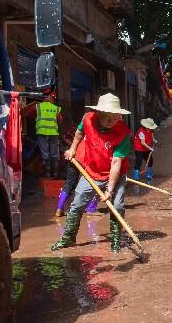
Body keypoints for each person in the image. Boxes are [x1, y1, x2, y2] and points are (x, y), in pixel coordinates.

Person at [51, 93, 132, 253]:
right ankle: (68, 238)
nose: (110, 122)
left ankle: (115, 241)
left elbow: (116, 163)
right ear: (98, 113)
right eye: (106, 117)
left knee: (117, 205)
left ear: (119, 115)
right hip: (91, 172)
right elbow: (79, 133)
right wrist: (73, 149)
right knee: (77, 204)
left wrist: (109, 189)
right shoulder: (88, 119)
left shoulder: (123, 132)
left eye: (114, 118)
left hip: (114, 174)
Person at [55, 123, 97, 217]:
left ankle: (59, 208)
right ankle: (91, 209)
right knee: (92, 182)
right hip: (86, 160)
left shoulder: (81, 134)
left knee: (69, 183)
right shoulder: (96, 135)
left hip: (75, 158)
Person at [26, 93, 63, 178]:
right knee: (54, 154)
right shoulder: (55, 108)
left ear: (43, 99)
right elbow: (60, 120)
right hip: (53, 133)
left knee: (45, 153)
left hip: (42, 132)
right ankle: (55, 173)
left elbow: (28, 114)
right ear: (52, 100)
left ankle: (47, 174)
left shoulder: (38, 107)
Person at [133, 118, 158, 182]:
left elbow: (151, 135)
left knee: (150, 160)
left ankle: (148, 174)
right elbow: (143, 143)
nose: (151, 128)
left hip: (146, 147)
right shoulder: (141, 132)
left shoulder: (150, 130)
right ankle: (136, 175)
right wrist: (150, 148)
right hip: (139, 148)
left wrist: (153, 139)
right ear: (146, 126)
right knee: (139, 160)